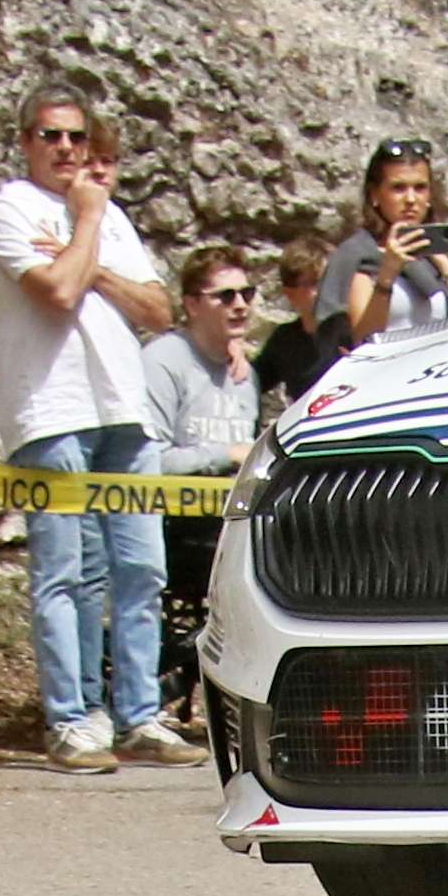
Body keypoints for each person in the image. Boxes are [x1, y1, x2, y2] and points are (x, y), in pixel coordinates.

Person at [0, 84, 192, 772]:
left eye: (76, 136)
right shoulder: (13, 206)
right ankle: (71, 717)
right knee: (65, 572)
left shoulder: (108, 215)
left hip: (123, 409)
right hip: (53, 409)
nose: (67, 148)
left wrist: (93, 250)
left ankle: (138, 714)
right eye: (51, 135)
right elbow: (57, 291)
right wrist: (87, 222)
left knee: (142, 567)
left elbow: (158, 309)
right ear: (26, 142)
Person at [143, 245, 259, 734]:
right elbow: (149, 461)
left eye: (247, 293)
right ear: (191, 304)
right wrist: (225, 455)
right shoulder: (163, 361)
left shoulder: (244, 373)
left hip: (232, 523)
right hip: (179, 528)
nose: (241, 304)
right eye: (225, 296)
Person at [316, 138, 448, 351]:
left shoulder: (434, 261)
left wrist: (447, 268)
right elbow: (362, 343)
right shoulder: (356, 256)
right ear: (374, 194)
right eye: (398, 188)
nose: (411, 199)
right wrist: (388, 273)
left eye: (420, 188)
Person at [252, 234, 333, 406]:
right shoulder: (285, 341)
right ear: (290, 294)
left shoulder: (356, 331)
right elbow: (251, 384)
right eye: (315, 283)